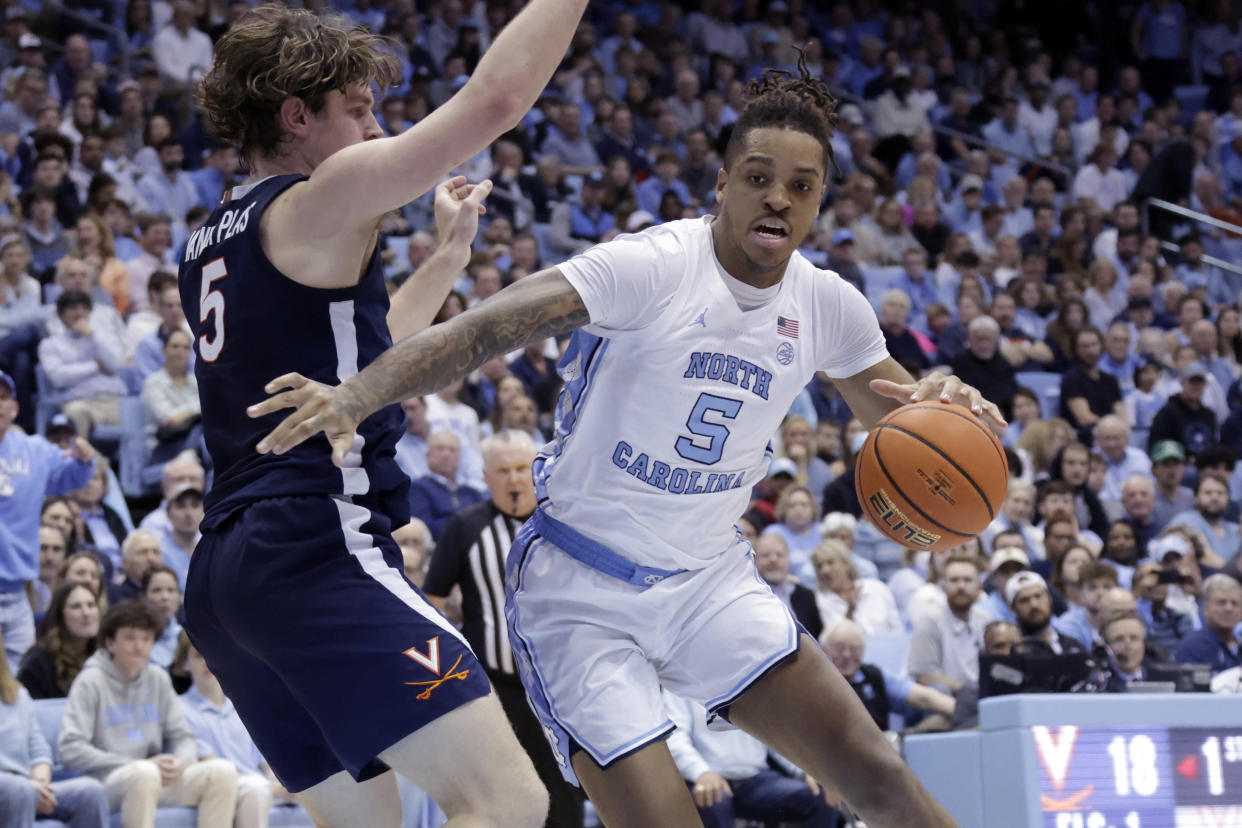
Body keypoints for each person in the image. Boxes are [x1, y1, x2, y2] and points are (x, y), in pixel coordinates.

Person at [247, 62, 1003, 827]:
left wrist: (949, 403)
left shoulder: (828, 304)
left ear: (817, 204)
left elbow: (906, 421)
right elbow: (482, 329)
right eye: (759, 176)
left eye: (802, 186)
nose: (779, 197)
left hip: (710, 583)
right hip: (581, 592)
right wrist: (359, 392)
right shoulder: (652, 266)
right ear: (722, 185)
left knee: (878, 773)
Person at [179, 3, 590, 825]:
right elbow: (495, 103)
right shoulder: (319, 196)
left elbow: (365, 365)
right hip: (312, 545)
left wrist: (447, 258)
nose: (378, 129)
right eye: (361, 109)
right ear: (298, 115)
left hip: (227, 579)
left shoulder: (210, 240)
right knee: (508, 803)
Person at [423, 430, 583, 828]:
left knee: (566, 792)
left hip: (561, 687)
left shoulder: (566, 521)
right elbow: (432, 603)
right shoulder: (465, 527)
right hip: (497, 688)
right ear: (485, 476)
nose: (514, 479)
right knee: (506, 796)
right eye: (503, 471)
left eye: (520, 469)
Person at [59, 601, 239, 826]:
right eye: (130, 638)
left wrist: (181, 761)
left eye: (146, 639)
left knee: (222, 771)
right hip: (106, 782)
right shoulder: (90, 681)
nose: (139, 646)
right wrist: (131, 763)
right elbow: (70, 748)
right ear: (110, 643)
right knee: (143, 772)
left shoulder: (157, 678)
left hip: (152, 776)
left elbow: (182, 736)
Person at [0, 369, 96, 666]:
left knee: (17, 689)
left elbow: (70, 475)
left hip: (16, 593)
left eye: (2, 398)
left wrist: (85, 459)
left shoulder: (35, 451)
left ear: (14, 408)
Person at [663, 690, 839, 828]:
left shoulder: (750, 678)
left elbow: (775, 736)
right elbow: (675, 738)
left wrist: (806, 770)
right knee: (714, 799)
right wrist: (701, 773)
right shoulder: (680, 685)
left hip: (756, 781)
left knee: (821, 797)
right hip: (708, 779)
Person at [176, 634, 293, 828]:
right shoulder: (180, 708)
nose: (207, 662)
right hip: (226, 785)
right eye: (198, 655)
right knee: (257, 790)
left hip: (258, 782)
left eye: (212, 654)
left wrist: (281, 784)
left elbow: (265, 762)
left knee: (311, 790)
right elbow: (211, 764)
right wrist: (271, 788)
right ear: (184, 664)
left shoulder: (243, 706)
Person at [0, 628, 109, 828]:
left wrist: (39, 784)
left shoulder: (17, 695)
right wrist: (29, 790)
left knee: (90, 792)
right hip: (12, 789)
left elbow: (40, 752)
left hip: (29, 787)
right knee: (17, 790)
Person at [823, 619, 955, 733]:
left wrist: (964, 712)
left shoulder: (874, 676)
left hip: (879, 752)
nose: (847, 654)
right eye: (839, 647)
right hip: (830, 752)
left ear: (863, 651)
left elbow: (923, 697)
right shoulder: (816, 680)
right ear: (823, 649)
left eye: (854, 648)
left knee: (941, 694)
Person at [907, 556, 992, 692]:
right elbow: (925, 676)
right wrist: (971, 693)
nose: (961, 586)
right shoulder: (930, 622)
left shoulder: (986, 620)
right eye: (954, 580)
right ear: (943, 586)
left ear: (979, 586)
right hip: (945, 700)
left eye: (968, 580)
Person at [16, 582, 98, 700]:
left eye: (91, 605)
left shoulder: (106, 654)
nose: (86, 613)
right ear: (60, 615)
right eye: (76, 606)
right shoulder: (38, 663)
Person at [811, 539, 902, 637]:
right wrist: (850, 612)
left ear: (846, 563)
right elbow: (835, 641)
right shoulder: (819, 601)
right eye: (819, 566)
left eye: (830, 562)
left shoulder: (877, 588)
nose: (825, 570)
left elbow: (898, 629)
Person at [1173, 574, 1242, 674]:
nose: (1229, 608)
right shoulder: (1192, 646)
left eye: (1235, 603)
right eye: (1221, 602)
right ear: (1206, 608)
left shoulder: (1239, 642)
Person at [1007, 572, 1085, 654]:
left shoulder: (1072, 645)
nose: (1034, 605)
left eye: (1038, 596)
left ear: (1049, 599)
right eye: (1024, 600)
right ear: (1013, 609)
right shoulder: (1014, 650)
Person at [141, 565, 182, 667]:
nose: (165, 597)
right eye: (157, 590)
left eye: (171, 590)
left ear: (179, 597)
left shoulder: (187, 637)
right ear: (143, 597)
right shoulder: (135, 639)